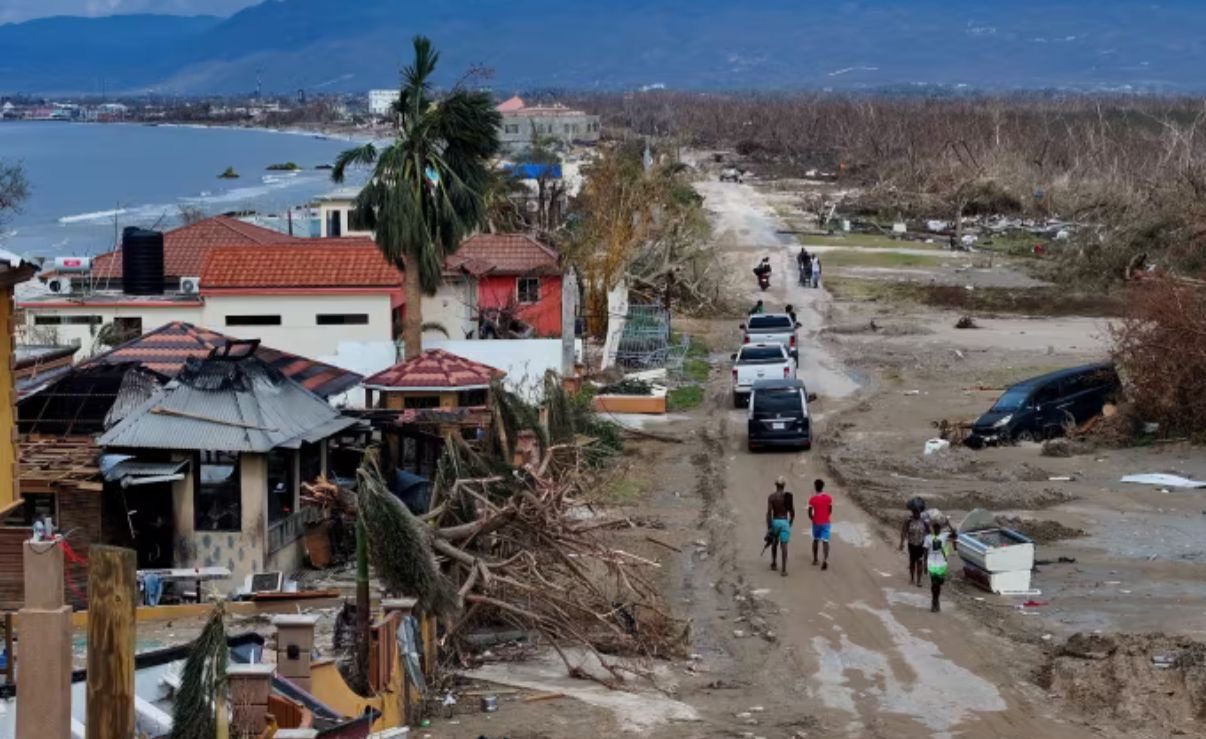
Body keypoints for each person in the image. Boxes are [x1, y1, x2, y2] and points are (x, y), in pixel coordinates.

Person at [766, 476, 796, 576]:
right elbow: (792, 512)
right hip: (784, 521)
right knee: (784, 545)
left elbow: (769, 512)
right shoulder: (787, 497)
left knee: (774, 543)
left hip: (775, 521)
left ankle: (774, 563)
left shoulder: (772, 497)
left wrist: (769, 526)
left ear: (776, 485)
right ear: (784, 485)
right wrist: (790, 522)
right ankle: (783, 569)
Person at [924, 519, 952, 612]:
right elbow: (925, 552)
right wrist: (924, 565)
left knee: (939, 584)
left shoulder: (944, 536)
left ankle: (936, 599)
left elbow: (955, 535)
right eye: (935, 528)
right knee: (934, 583)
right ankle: (934, 601)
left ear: (940, 528)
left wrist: (949, 525)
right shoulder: (928, 538)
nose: (936, 529)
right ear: (933, 528)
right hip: (931, 563)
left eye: (938, 528)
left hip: (942, 563)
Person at [899, 505, 929, 587]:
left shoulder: (924, 522)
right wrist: (901, 543)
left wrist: (928, 544)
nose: (916, 514)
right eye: (915, 512)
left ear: (920, 513)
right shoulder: (908, 521)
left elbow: (928, 533)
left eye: (918, 512)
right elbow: (904, 532)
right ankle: (912, 578)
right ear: (912, 512)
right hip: (911, 544)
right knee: (912, 562)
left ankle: (919, 580)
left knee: (920, 562)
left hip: (921, 545)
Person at [808, 478, 833, 570]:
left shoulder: (812, 499)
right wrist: (825, 516)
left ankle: (815, 559)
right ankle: (825, 560)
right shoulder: (828, 498)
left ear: (815, 487)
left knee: (815, 540)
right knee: (825, 541)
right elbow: (830, 510)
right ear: (823, 487)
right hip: (826, 522)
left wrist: (813, 519)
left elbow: (810, 513)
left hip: (816, 522)